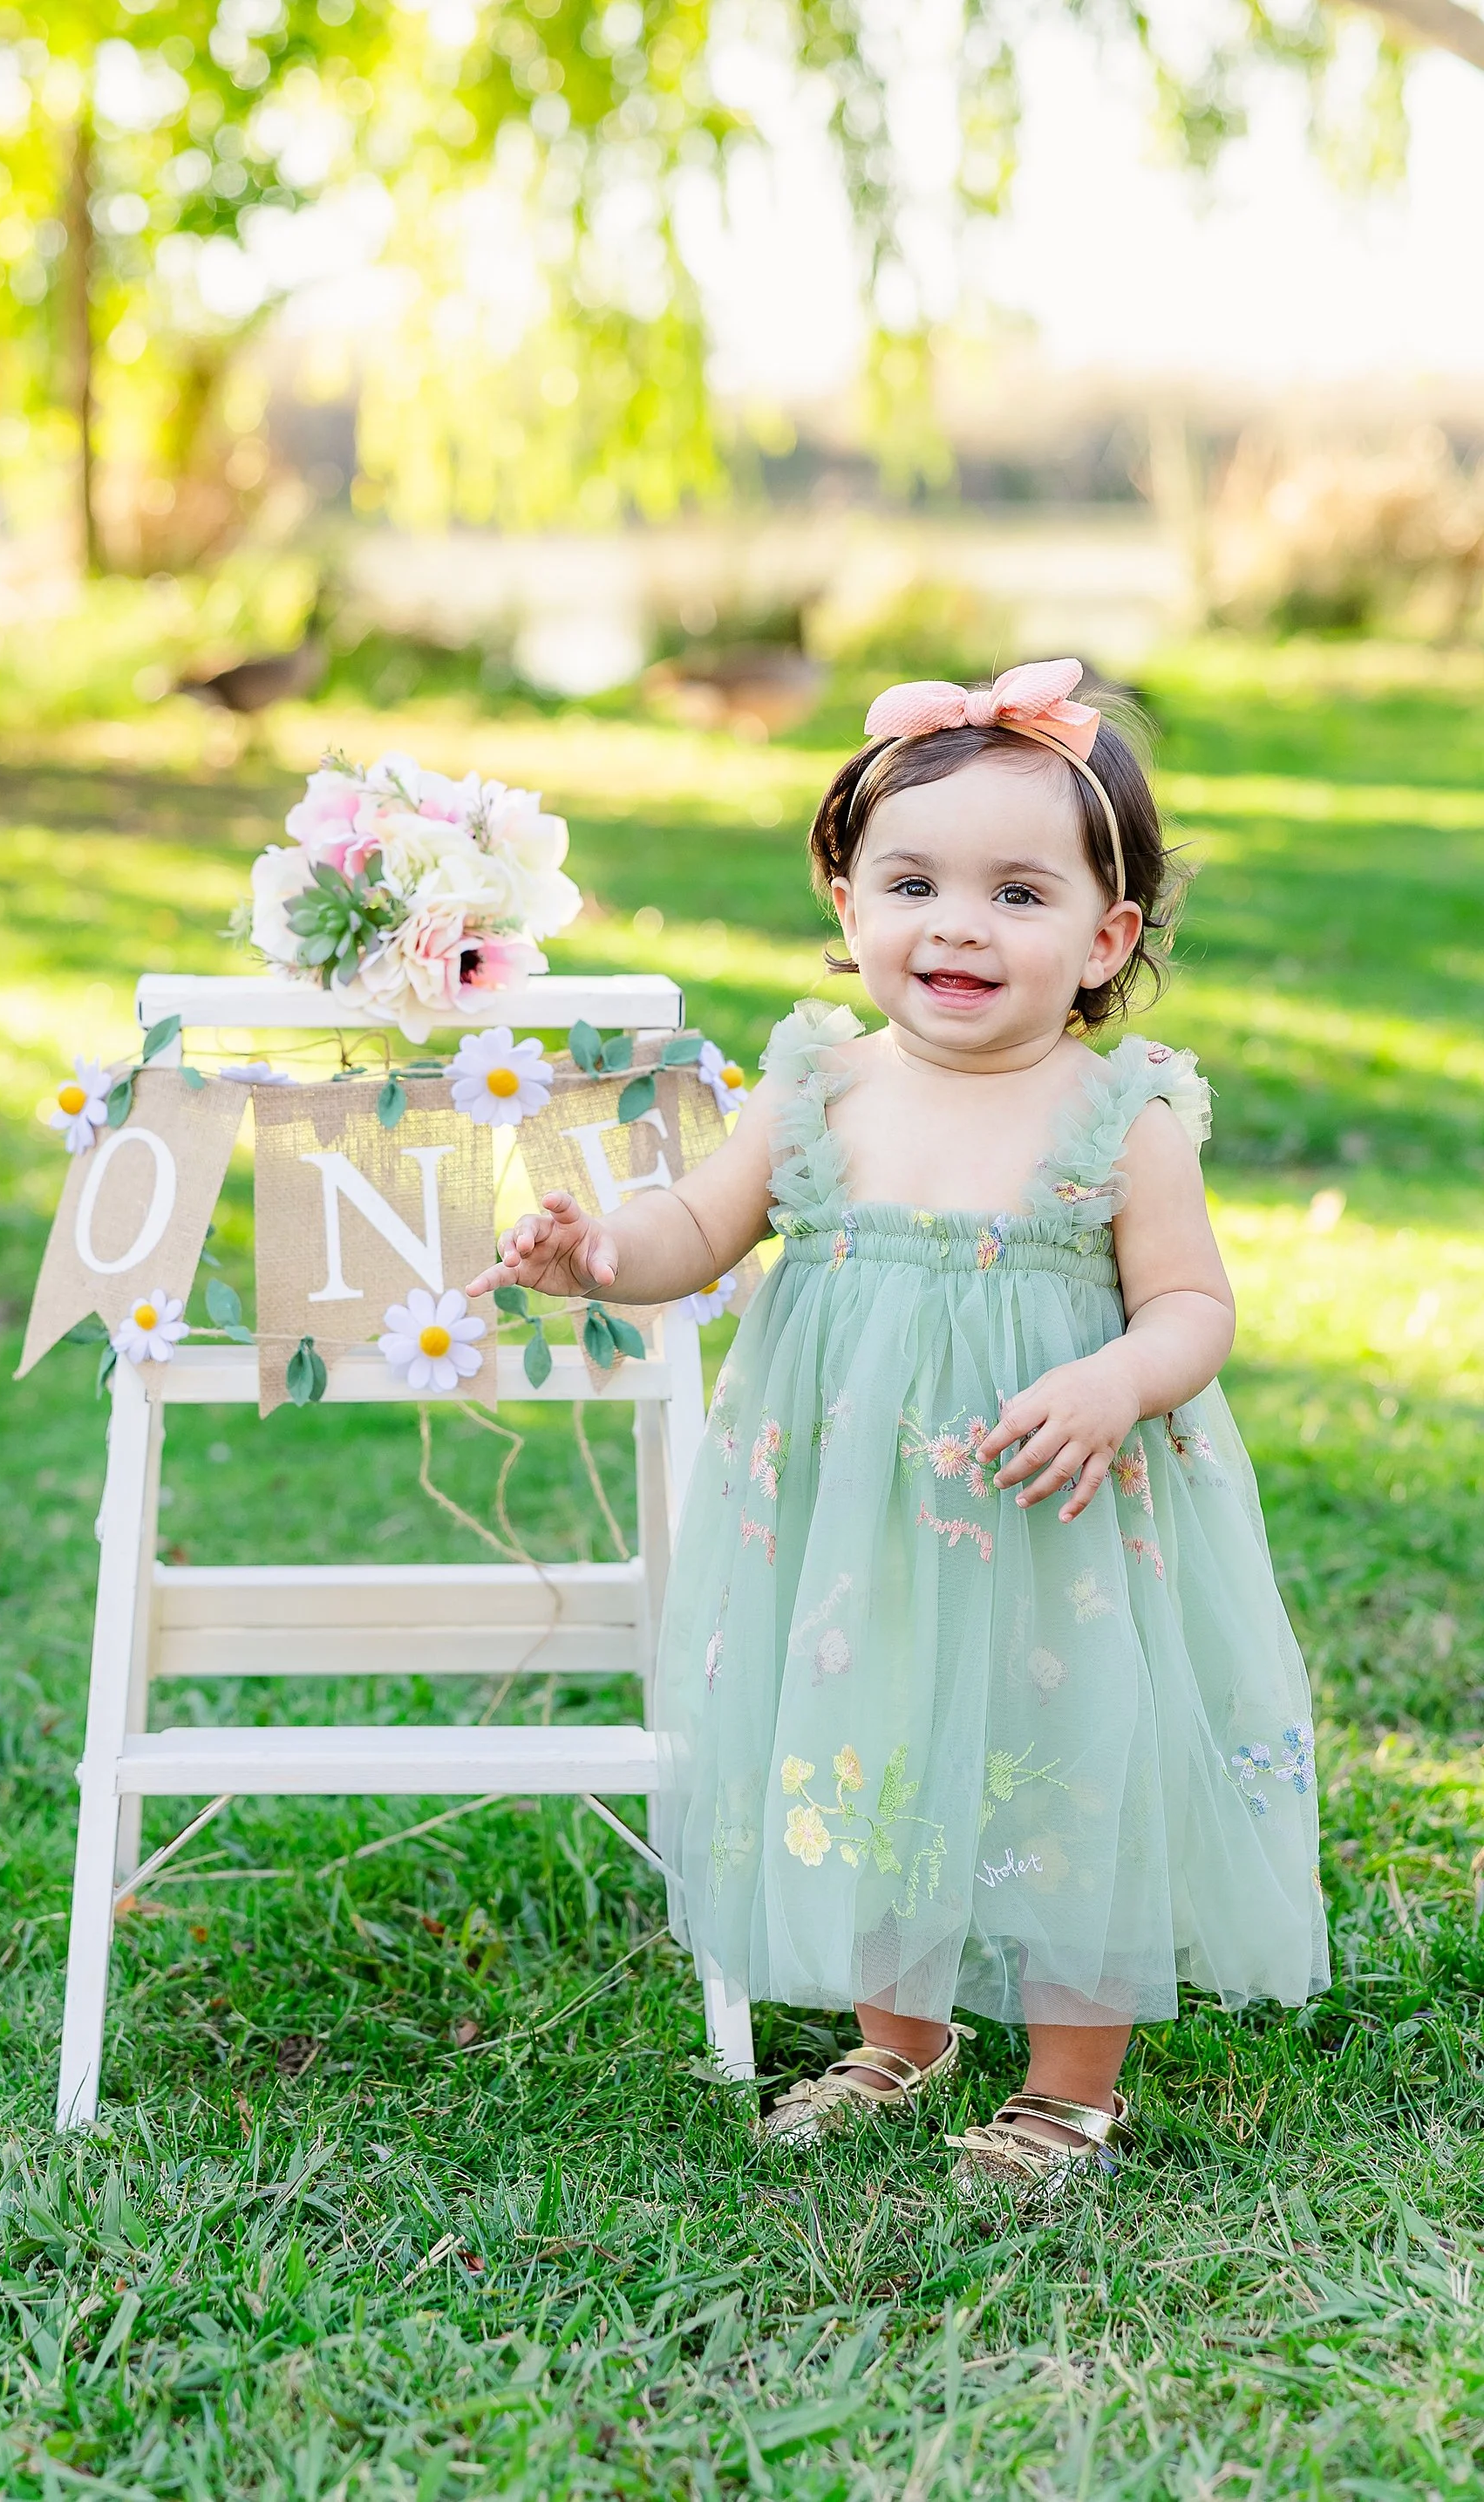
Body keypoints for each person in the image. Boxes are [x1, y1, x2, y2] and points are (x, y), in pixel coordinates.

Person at [469, 661, 1328, 2194]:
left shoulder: (1120, 1117)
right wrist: (603, 1252)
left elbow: (1196, 1306)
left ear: (1103, 937)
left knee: (1069, 1766)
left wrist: (1120, 1379)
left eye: (1017, 893)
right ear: (849, 903)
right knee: (867, 1749)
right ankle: (900, 2037)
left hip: (1058, 1510)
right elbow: (696, 1229)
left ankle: (1070, 2086)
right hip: (858, 1519)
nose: (958, 925)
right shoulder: (818, 1089)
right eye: (913, 881)